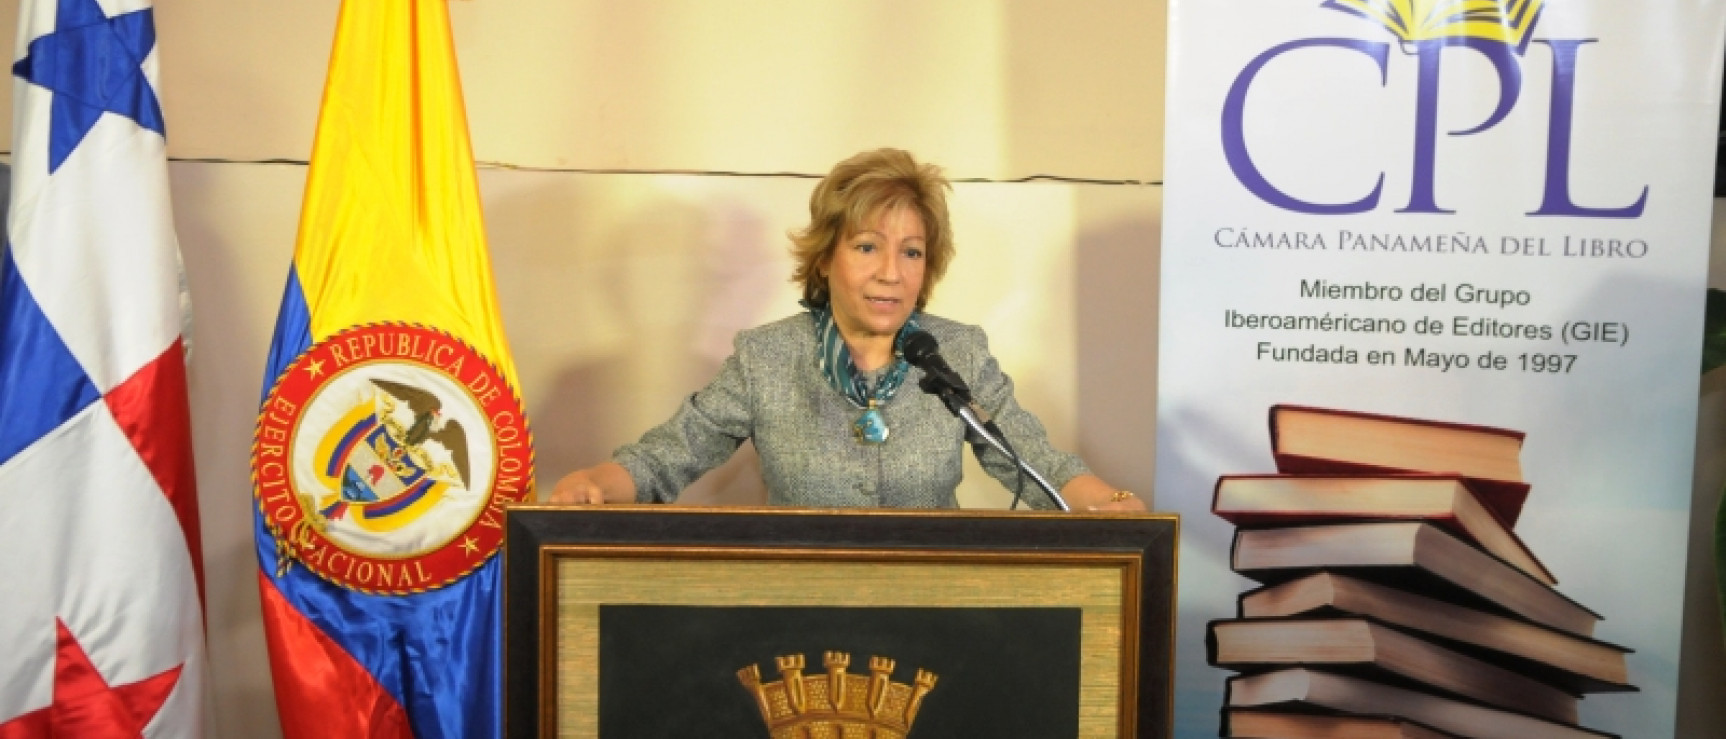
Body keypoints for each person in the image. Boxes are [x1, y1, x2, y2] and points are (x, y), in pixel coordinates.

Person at [548, 148, 1144, 512]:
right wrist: (594, 482)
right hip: (801, 617)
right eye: (867, 247)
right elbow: (665, 458)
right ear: (826, 257)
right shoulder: (767, 358)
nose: (891, 273)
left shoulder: (956, 351)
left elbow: (1032, 461)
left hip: (935, 611)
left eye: (911, 252)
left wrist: (1109, 502)